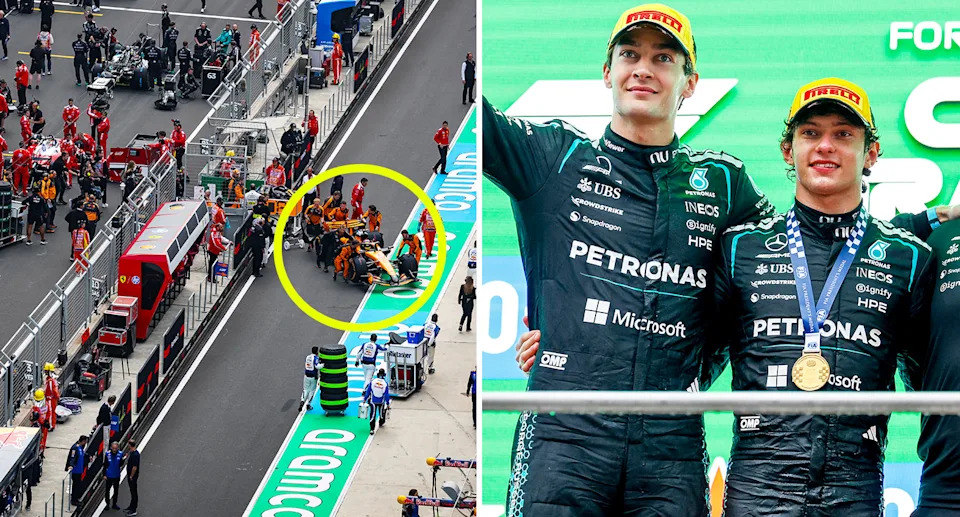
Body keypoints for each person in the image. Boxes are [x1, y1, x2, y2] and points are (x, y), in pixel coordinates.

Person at [487, 5, 774, 514]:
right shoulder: (553, 156)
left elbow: (804, 252)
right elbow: (470, 116)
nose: (643, 67)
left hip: (671, 444)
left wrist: (935, 218)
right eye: (629, 54)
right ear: (607, 72)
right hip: (562, 433)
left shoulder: (725, 184)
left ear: (689, 83)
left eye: (663, 57)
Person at [362, 369, 390, 435]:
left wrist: (364, 399)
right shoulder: (385, 383)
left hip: (373, 401)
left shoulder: (373, 381)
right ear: (384, 375)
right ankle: (381, 422)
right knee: (381, 413)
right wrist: (388, 403)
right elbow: (386, 394)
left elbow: (368, 391)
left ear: (377, 374)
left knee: (373, 414)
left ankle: (372, 429)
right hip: (381, 401)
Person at [65, 435, 88, 506]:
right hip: (76, 471)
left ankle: (76, 497)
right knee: (75, 485)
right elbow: (72, 457)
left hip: (79, 470)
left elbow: (82, 455)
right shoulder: (75, 448)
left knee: (77, 485)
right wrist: (71, 465)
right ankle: (74, 500)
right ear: (83, 441)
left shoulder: (80, 448)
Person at [300, 346, 321, 411]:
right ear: (317, 352)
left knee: (305, 389)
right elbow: (317, 366)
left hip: (306, 376)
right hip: (313, 377)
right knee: (312, 391)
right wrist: (323, 365)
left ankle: (302, 400)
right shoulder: (315, 358)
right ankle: (308, 404)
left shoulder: (307, 357)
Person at [104, 441, 123, 510]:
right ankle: (107, 504)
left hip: (116, 475)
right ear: (111, 448)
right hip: (109, 475)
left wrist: (123, 460)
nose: (114, 450)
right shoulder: (107, 454)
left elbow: (121, 464)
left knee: (116, 491)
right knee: (107, 491)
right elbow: (105, 465)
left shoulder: (120, 454)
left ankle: (114, 504)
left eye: (116, 448)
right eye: (113, 448)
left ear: (118, 448)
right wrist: (104, 474)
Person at [125, 440, 140, 516]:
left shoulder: (135, 455)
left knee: (134, 492)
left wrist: (131, 476)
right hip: (131, 475)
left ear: (130, 445)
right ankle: (131, 506)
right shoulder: (132, 453)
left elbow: (134, 467)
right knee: (132, 491)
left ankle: (133, 509)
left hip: (133, 476)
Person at [43, 362, 59, 429]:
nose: (45, 372)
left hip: (51, 399)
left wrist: (57, 397)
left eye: (46, 370)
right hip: (51, 399)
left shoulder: (50, 381)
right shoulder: (51, 379)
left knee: (51, 412)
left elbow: (54, 391)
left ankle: (51, 425)